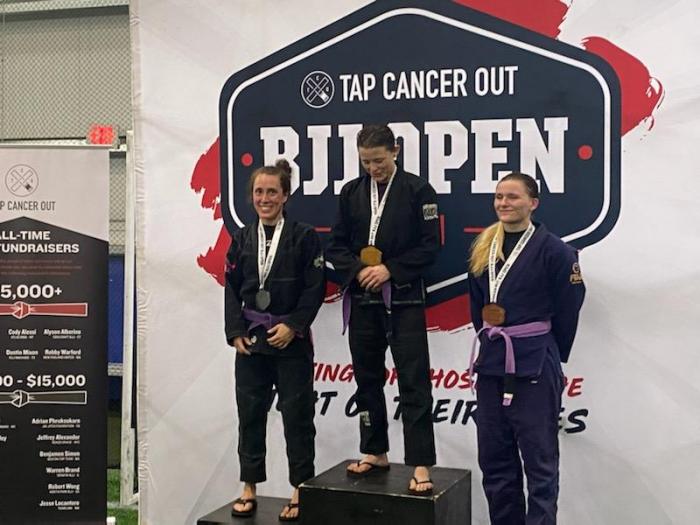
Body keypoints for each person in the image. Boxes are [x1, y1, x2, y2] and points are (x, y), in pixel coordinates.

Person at [326, 124, 440, 494]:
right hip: (363, 299)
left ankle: (420, 462)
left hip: (404, 299)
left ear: (395, 151)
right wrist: (359, 270)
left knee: (413, 381)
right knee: (367, 377)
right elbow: (335, 245)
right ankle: (374, 450)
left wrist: (390, 269)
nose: (373, 168)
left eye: (378, 160)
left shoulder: (418, 190)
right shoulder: (350, 192)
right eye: (365, 162)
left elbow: (431, 246)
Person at [467, 172, 586, 524]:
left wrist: (545, 347)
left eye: (513, 197)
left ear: (533, 203)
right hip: (492, 362)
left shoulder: (556, 251)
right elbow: (478, 307)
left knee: (540, 465)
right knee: (495, 462)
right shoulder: (484, 248)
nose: (503, 203)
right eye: (499, 196)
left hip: (535, 363)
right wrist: (492, 340)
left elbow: (569, 306)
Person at [224, 159, 325, 522]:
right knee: (250, 415)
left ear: (285, 196)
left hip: (290, 342)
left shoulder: (304, 237)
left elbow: (315, 288)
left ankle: (300, 487)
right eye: (258, 192)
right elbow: (231, 289)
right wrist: (235, 331)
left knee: (298, 416)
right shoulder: (242, 238)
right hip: (252, 343)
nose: (264, 199)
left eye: (271, 192)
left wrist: (293, 326)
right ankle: (249, 485)